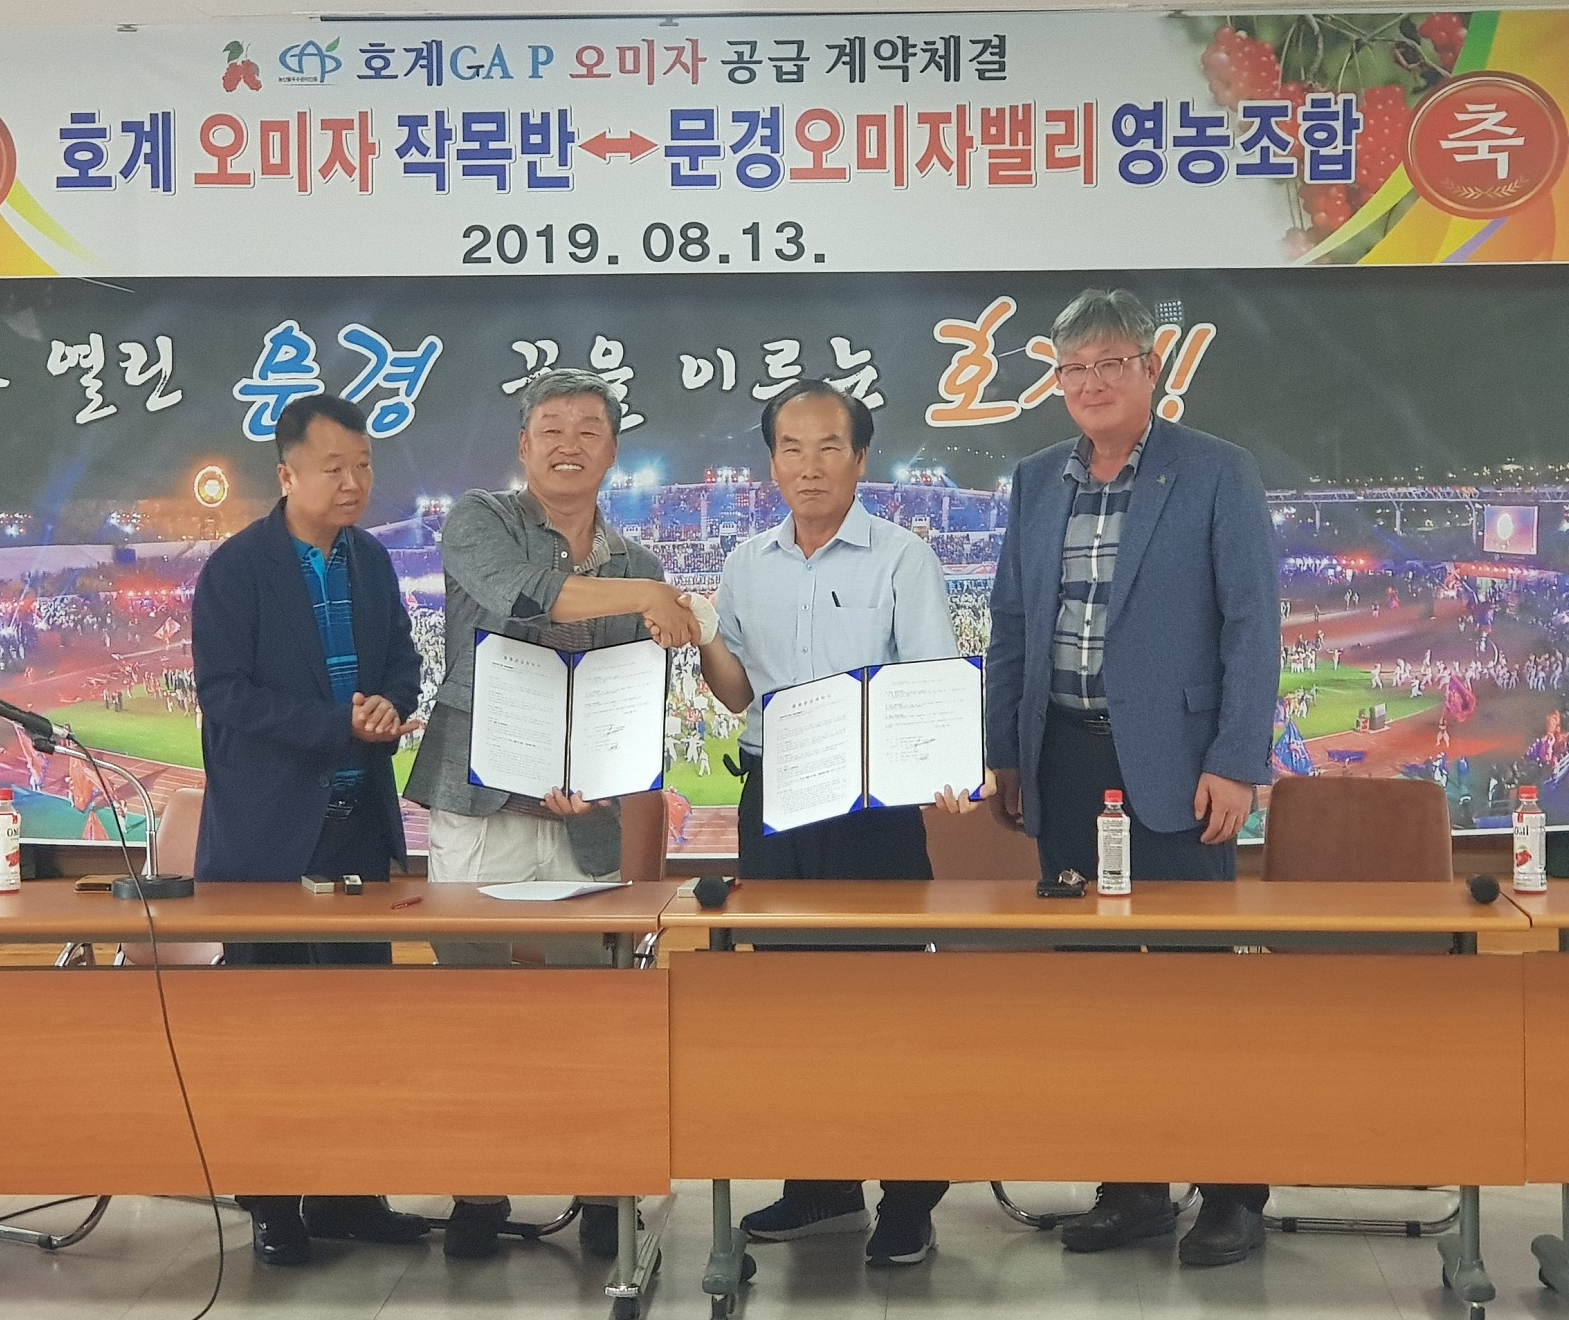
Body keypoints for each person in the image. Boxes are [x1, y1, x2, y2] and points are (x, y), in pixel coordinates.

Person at [984, 287, 1280, 1268]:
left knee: (1199, 987)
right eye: (1074, 368)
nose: (1091, 383)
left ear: (1151, 371)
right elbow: (1013, 625)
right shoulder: (1036, 480)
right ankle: (1133, 1185)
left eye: (1112, 363)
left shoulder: (1216, 472)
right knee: (1096, 987)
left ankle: (1231, 1190)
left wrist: (1235, 760)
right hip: (1064, 760)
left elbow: (1252, 623)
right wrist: (1005, 752)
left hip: (1179, 768)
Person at [405, 367, 701, 1261]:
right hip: (480, 804)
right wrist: (646, 598)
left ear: (612, 450)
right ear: (524, 445)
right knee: (472, 1005)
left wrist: (604, 776)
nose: (569, 443)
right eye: (552, 428)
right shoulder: (480, 521)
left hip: (586, 817)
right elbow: (530, 594)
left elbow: (629, 689)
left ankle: (603, 1185)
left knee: (594, 1006)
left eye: (589, 429)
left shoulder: (637, 564)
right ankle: (477, 1188)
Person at [694, 381, 980, 1269]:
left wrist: (941, 767)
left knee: (887, 1003)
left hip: (873, 812)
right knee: (790, 1004)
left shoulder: (902, 557)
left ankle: (909, 1199)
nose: (809, 465)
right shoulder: (747, 563)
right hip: (776, 803)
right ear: (771, 462)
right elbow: (736, 693)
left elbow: (929, 674)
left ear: (860, 458)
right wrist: (703, 640)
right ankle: (820, 1187)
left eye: (828, 447)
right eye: (791, 447)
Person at [190, 391, 431, 1267]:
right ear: (287, 474)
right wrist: (338, 725)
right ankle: (272, 1202)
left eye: (363, 465)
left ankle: (349, 1195)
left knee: (357, 1025)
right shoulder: (237, 569)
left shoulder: (371, 561)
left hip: (356, 829)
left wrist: (388, 705)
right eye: (335, 468)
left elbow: (402, 659)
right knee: (272, 1029)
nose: (354, 482)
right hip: (268, 841)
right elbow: (225, 697)